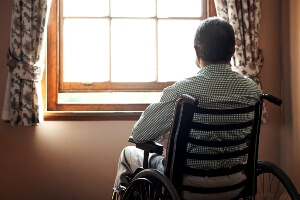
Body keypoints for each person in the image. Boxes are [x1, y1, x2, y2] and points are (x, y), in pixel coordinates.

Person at [112, 16, 261, 199]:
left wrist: (167, 135)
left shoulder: (182, 91)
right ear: (232, 50)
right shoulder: (252, 90)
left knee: (128, 154)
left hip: (187, 188)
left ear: (197, 50)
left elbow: (140, 134)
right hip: (235, 185)